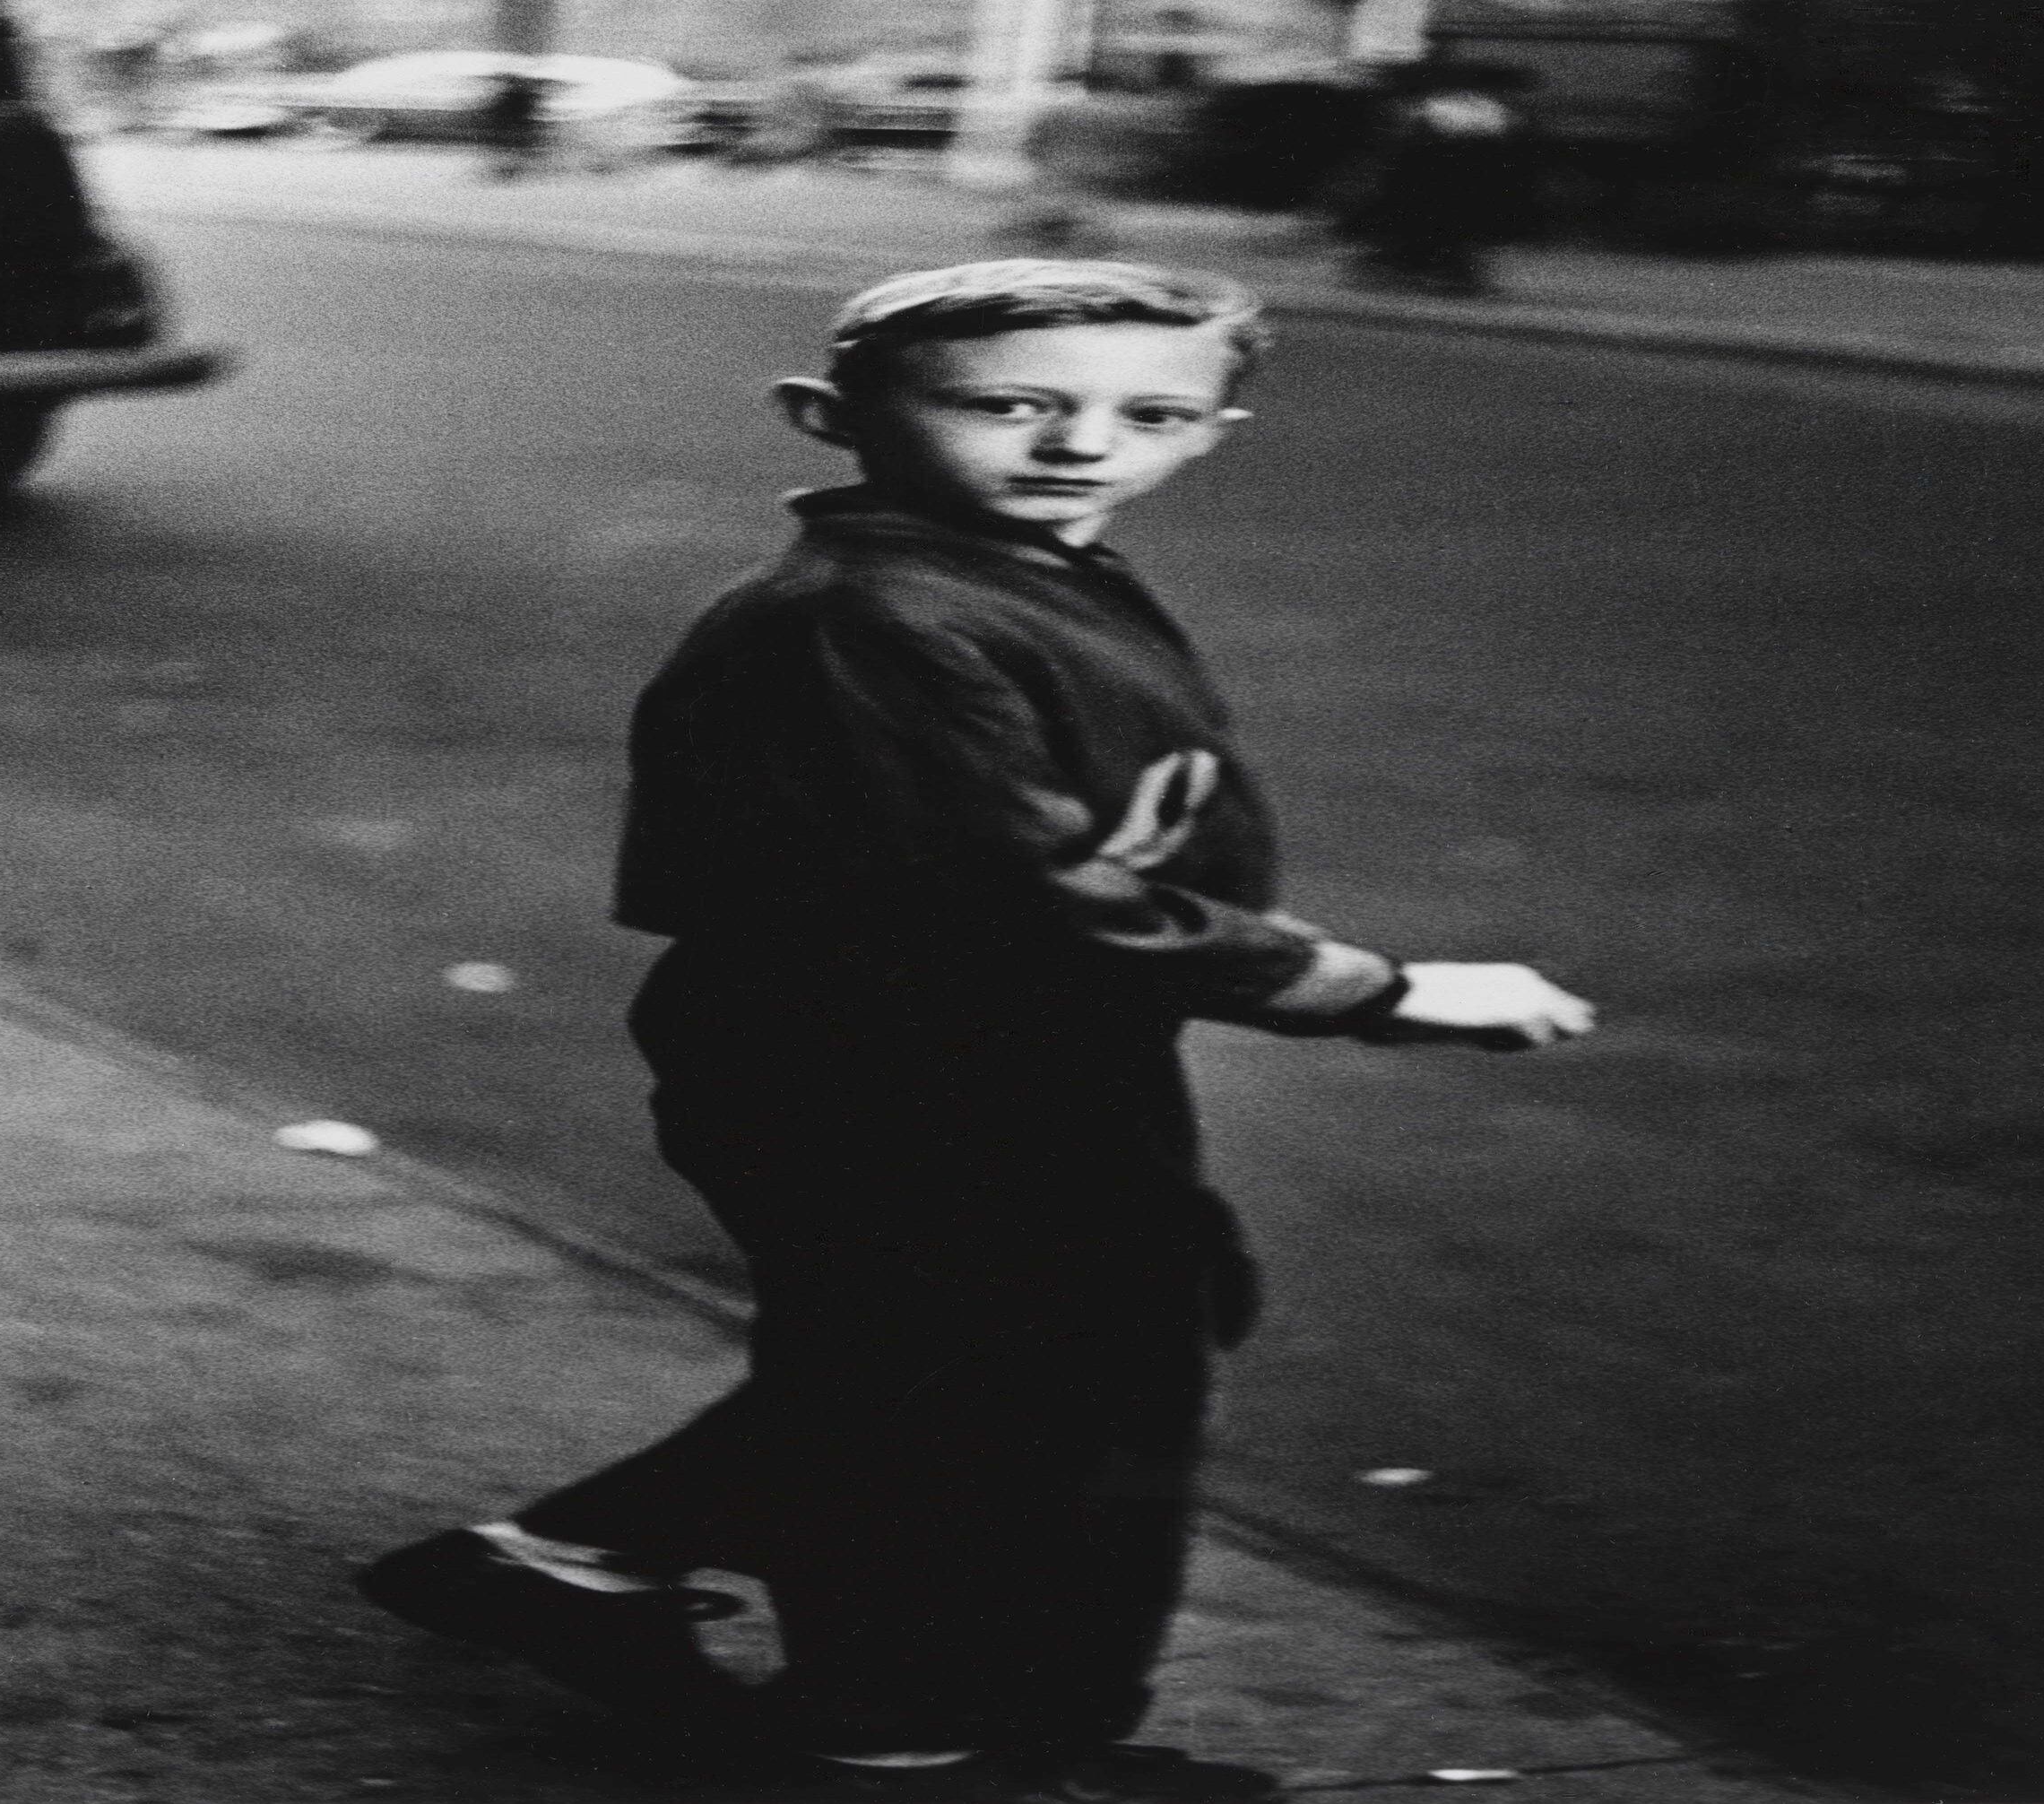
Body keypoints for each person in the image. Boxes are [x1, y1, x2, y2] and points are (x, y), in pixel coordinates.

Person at [354, 260, 1596, 1802]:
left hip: (1011, 1042)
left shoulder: (1026, 570)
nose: (1082, 443)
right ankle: (904, 1733)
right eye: (1013, 404)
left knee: (999, 1354)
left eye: (1150, 413)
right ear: (832, 418)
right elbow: (1016, 893)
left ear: (1215, 429)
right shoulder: (873, 618)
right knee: (1000, 1387)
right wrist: (1378, 988)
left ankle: (598, 1571)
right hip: (884, 1058)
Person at [1336, 63, 1542, 297]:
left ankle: (1420, 263)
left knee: (1426, 220)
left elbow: (1406, 145)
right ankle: (1434, 265)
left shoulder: (1435, 106)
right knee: (1443, 224)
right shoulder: (1495, 111)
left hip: (1441, 169)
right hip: (1465, 173)